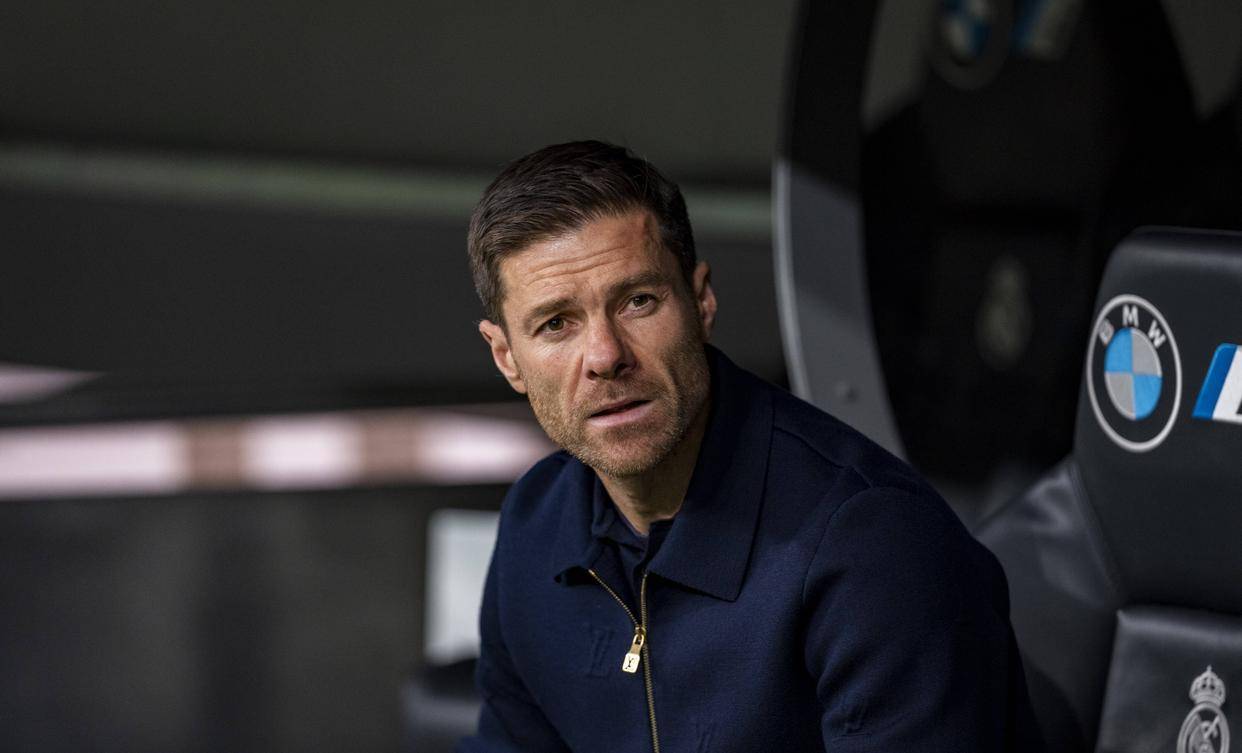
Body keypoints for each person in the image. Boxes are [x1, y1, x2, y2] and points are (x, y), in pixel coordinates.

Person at [458, 140, 1040, 752]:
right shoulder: (535, 523)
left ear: (701, 301)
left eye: (638, 301)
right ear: (507, 357)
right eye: (556, 323)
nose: (605, 356)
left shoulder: (874, 546)